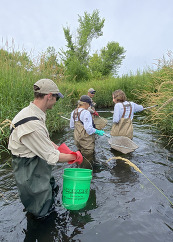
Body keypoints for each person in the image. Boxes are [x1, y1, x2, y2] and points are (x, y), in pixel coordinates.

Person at [8, 78, 83, 218]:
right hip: (29, 169)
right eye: (56, 98)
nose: (55, 102)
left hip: (37, 161)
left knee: (52, 190)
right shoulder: (31, 124)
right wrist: (75, 157)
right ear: (49, 96)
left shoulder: (33, 112)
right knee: (41, 210)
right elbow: (52, 157)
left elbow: (44, 141)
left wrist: (61, 148)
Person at [70, 95, 105, 168]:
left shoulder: (74, 112)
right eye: (89, 105)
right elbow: (89, 130)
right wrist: (97, 131)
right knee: (88, 158)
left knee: (79, 155)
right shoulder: (86, 113)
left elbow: (72, 126)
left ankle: (78, 168)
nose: (89, 106)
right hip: (86, 141)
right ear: (85, 104)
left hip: (77, 140)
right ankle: (86, 171)